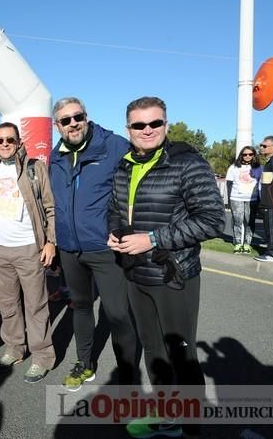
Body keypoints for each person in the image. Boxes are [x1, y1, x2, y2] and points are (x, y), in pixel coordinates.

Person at [107, 96, 225, 438]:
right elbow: (116, 209)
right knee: (154, 352)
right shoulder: (124, 165)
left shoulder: (188, 163)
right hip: (135, 273)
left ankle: (191, 426)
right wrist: (115, 232)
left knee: (180, 354)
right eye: (139, 125)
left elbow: (213, 220)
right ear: (128, 129)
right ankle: (166, 415)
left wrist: (154, 239)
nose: (147, 130)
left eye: (155, 123)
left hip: (174, 276)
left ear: (166, 125)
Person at [48, 96, 140, 391]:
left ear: (86, 117)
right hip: (70, 248)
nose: (73, 123)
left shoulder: (113, 145)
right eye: (66, 120)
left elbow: (139, 182)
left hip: (104, 247)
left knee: (117, 312)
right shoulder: (56, 155)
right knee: (82, 307)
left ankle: (128, 376)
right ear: (57, 125)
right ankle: (84, 364)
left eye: (78, 117)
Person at [0, 122, 56, 383]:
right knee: (7, 305)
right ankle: (15, 348)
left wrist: (50, 242)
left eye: (10, 140)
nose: (5, 144)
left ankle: (42, 356)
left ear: (19, 142)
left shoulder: (35, 167)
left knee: (36, 306)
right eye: (0, 140)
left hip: (28, 247)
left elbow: (49, 206)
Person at [225, 146, 262, 253]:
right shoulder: (233, 167)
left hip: (253, 199)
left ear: (254, 155)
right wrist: (228, 200)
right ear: (241, 155)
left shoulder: (259, 168)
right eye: (245, 154)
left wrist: (260, 199)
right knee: (238, 221)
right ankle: (237, 243)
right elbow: (229, 184)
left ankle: (247, 244)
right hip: (236, 198)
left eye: (250, 154)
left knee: (250, 221)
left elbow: (261, 185)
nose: (247, 156)